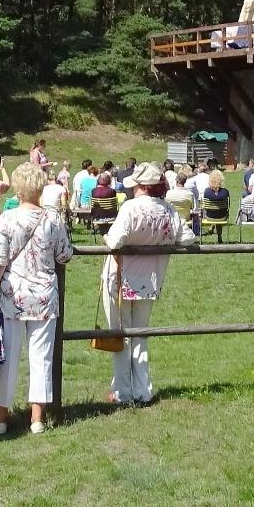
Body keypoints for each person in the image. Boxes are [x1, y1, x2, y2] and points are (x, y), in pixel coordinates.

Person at [0, 162, 75, 436]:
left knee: (8, 359)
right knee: (41, 357)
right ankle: (37, 418)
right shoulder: (53, 219)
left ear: (18, 187)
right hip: (44, 295)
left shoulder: (7, 218)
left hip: (12, 295)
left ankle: (1, 417)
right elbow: (65, 255)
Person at [101, 162, 196, 407]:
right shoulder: (168, 210)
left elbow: (116, 240)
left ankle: (122, 393)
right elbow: (187, 237)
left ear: (142, 186)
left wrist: (106, 237)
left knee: (121, 335)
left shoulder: (131, 208)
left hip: (120, 279)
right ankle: (143, 391)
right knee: (140, 335)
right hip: (150, 281)